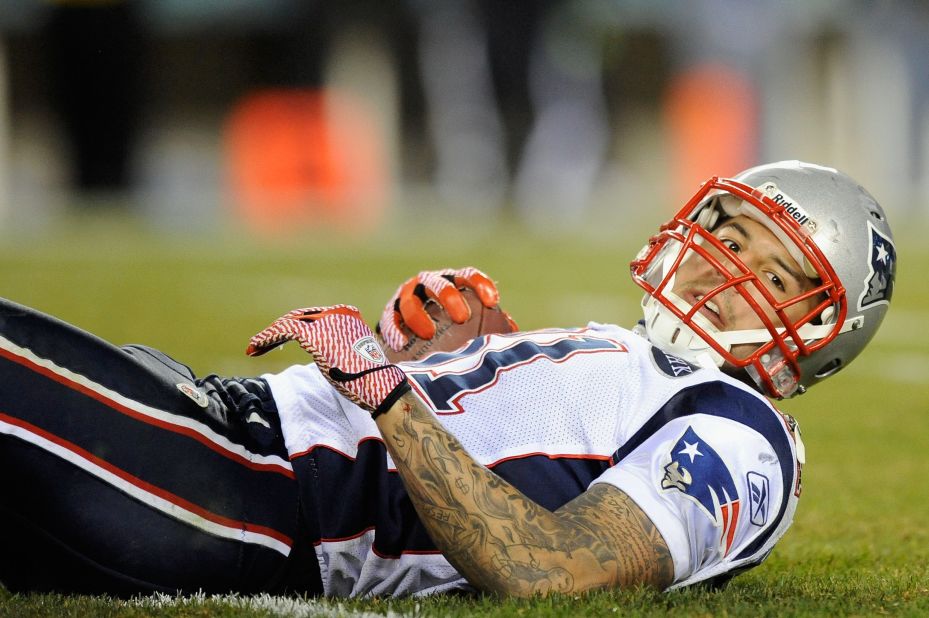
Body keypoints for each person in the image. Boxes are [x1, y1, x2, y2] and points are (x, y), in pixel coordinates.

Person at [0, 160, 895, 597]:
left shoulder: (741, 436)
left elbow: (547, 569)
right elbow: (513, 458)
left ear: (821, 330)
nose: (722, 267)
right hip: (225, 432)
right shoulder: (643, 367)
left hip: (258, 494)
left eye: (770, 274)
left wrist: (383, 393)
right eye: (727, 236)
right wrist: (426, 362)